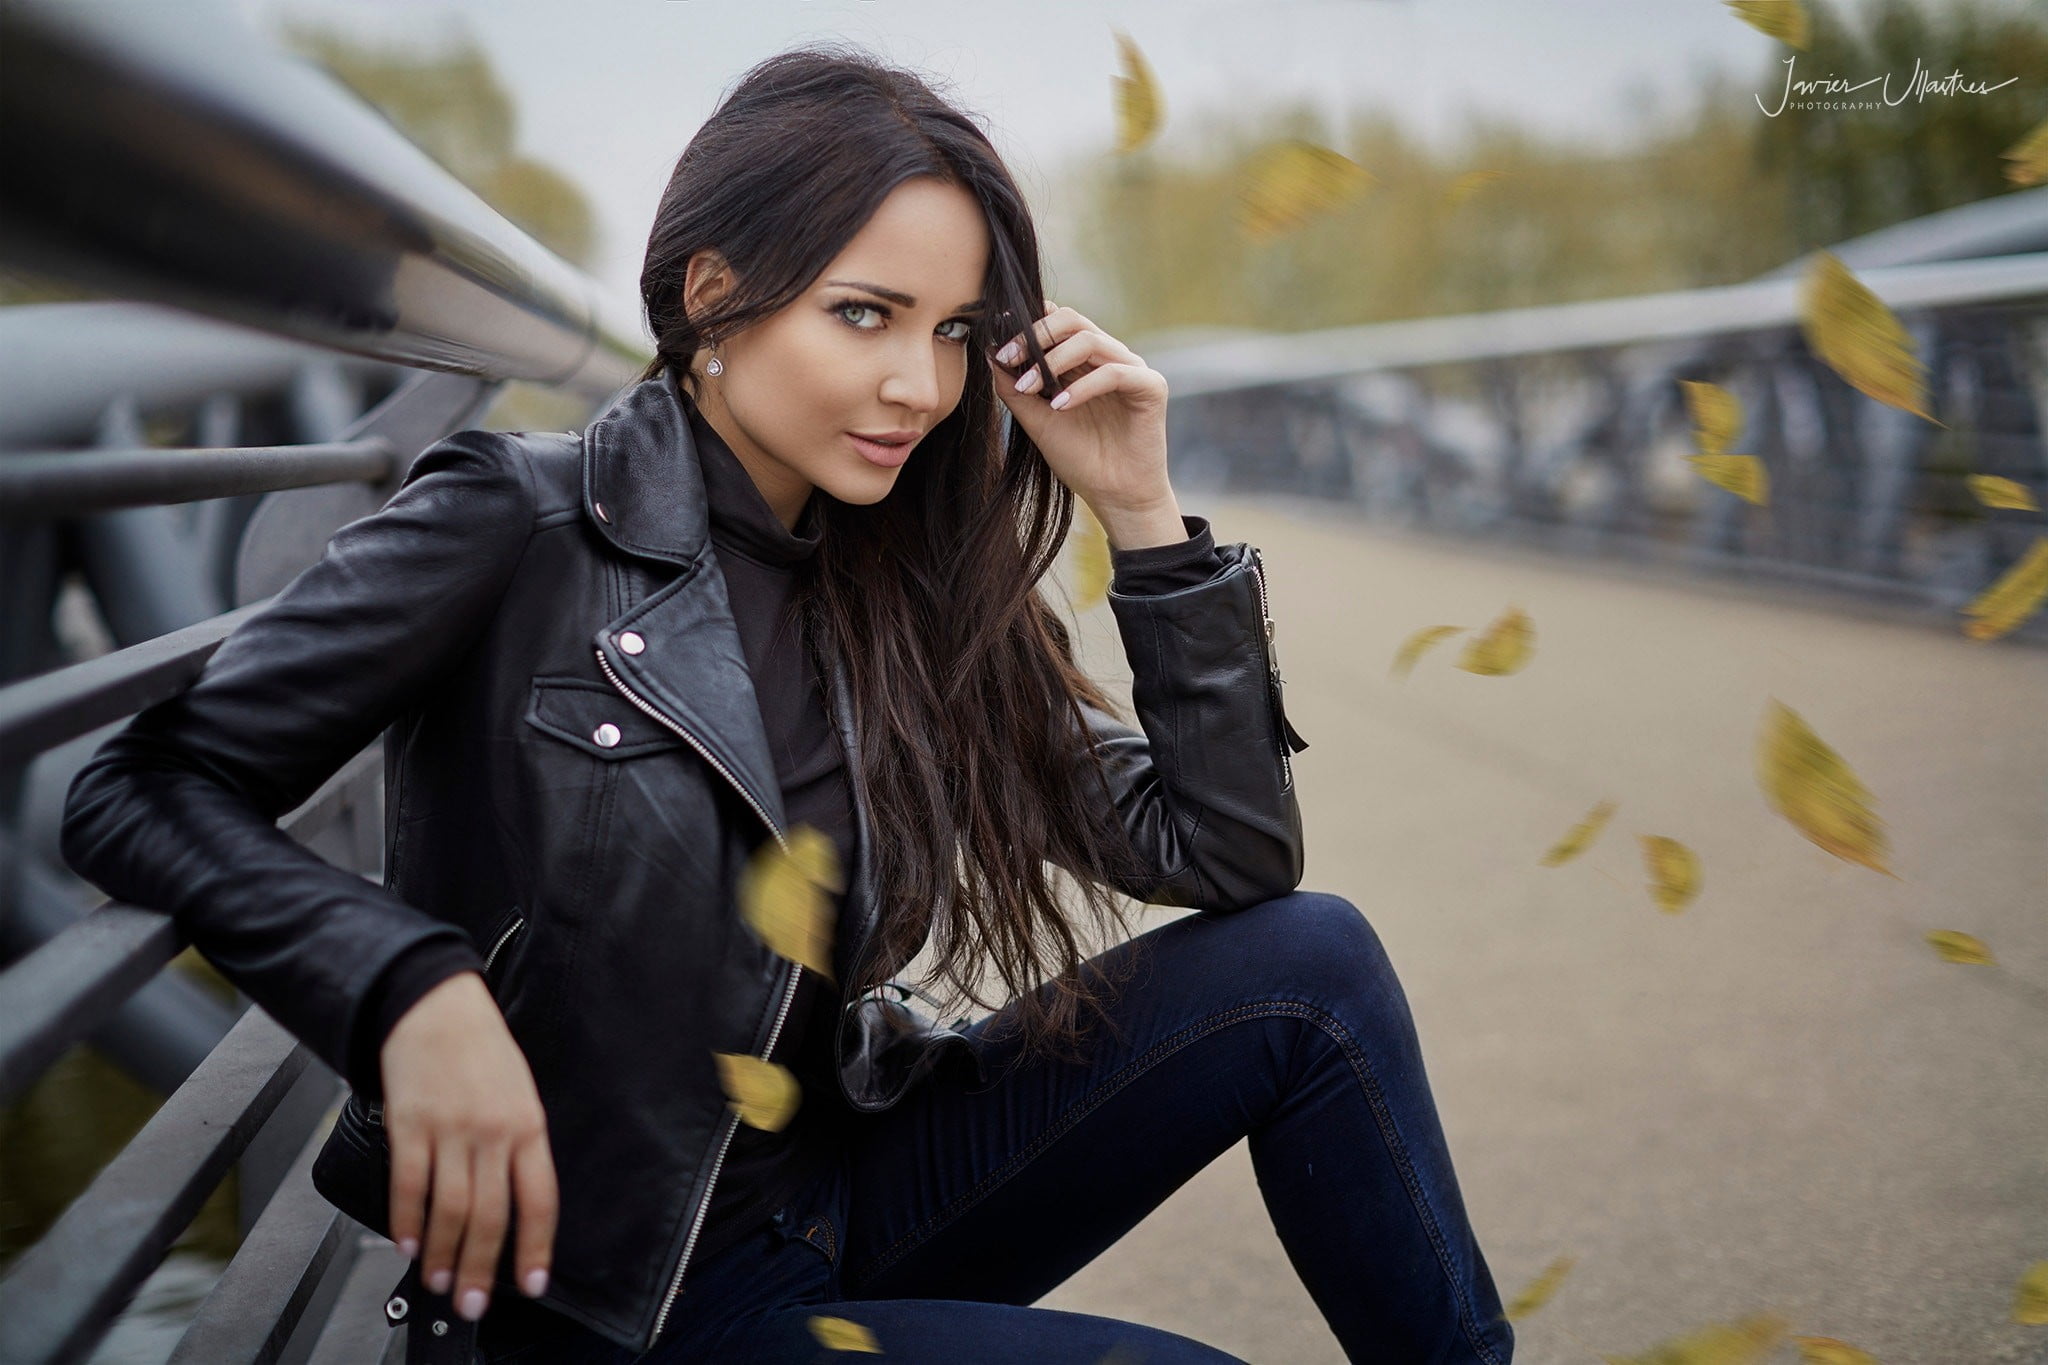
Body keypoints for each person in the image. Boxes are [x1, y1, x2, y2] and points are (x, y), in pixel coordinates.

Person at [59, 42, 1513, 1365]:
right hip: (616, 1300)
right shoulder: (517, 523)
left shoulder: (893, 579)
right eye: (865, 315)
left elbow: (1232, 858)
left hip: (833, 1195)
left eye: (953, 333)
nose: (917, 386)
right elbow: (136, 785)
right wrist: (410, 987)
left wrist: (1141, 512)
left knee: (1313, 964)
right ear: (711, 294)